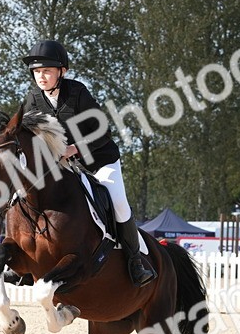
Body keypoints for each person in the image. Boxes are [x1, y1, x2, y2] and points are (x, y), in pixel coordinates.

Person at [19, 39, 155, 286]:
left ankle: (136, 262)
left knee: (119, 204)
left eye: (47, 71)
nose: (41, 76)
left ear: (63, 72)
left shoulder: (78, 93)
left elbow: (102, 132)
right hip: (64, 167)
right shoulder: (32, 99)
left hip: (98, 160)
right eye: (37, 72)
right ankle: (26, 264)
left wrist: (74, 149)